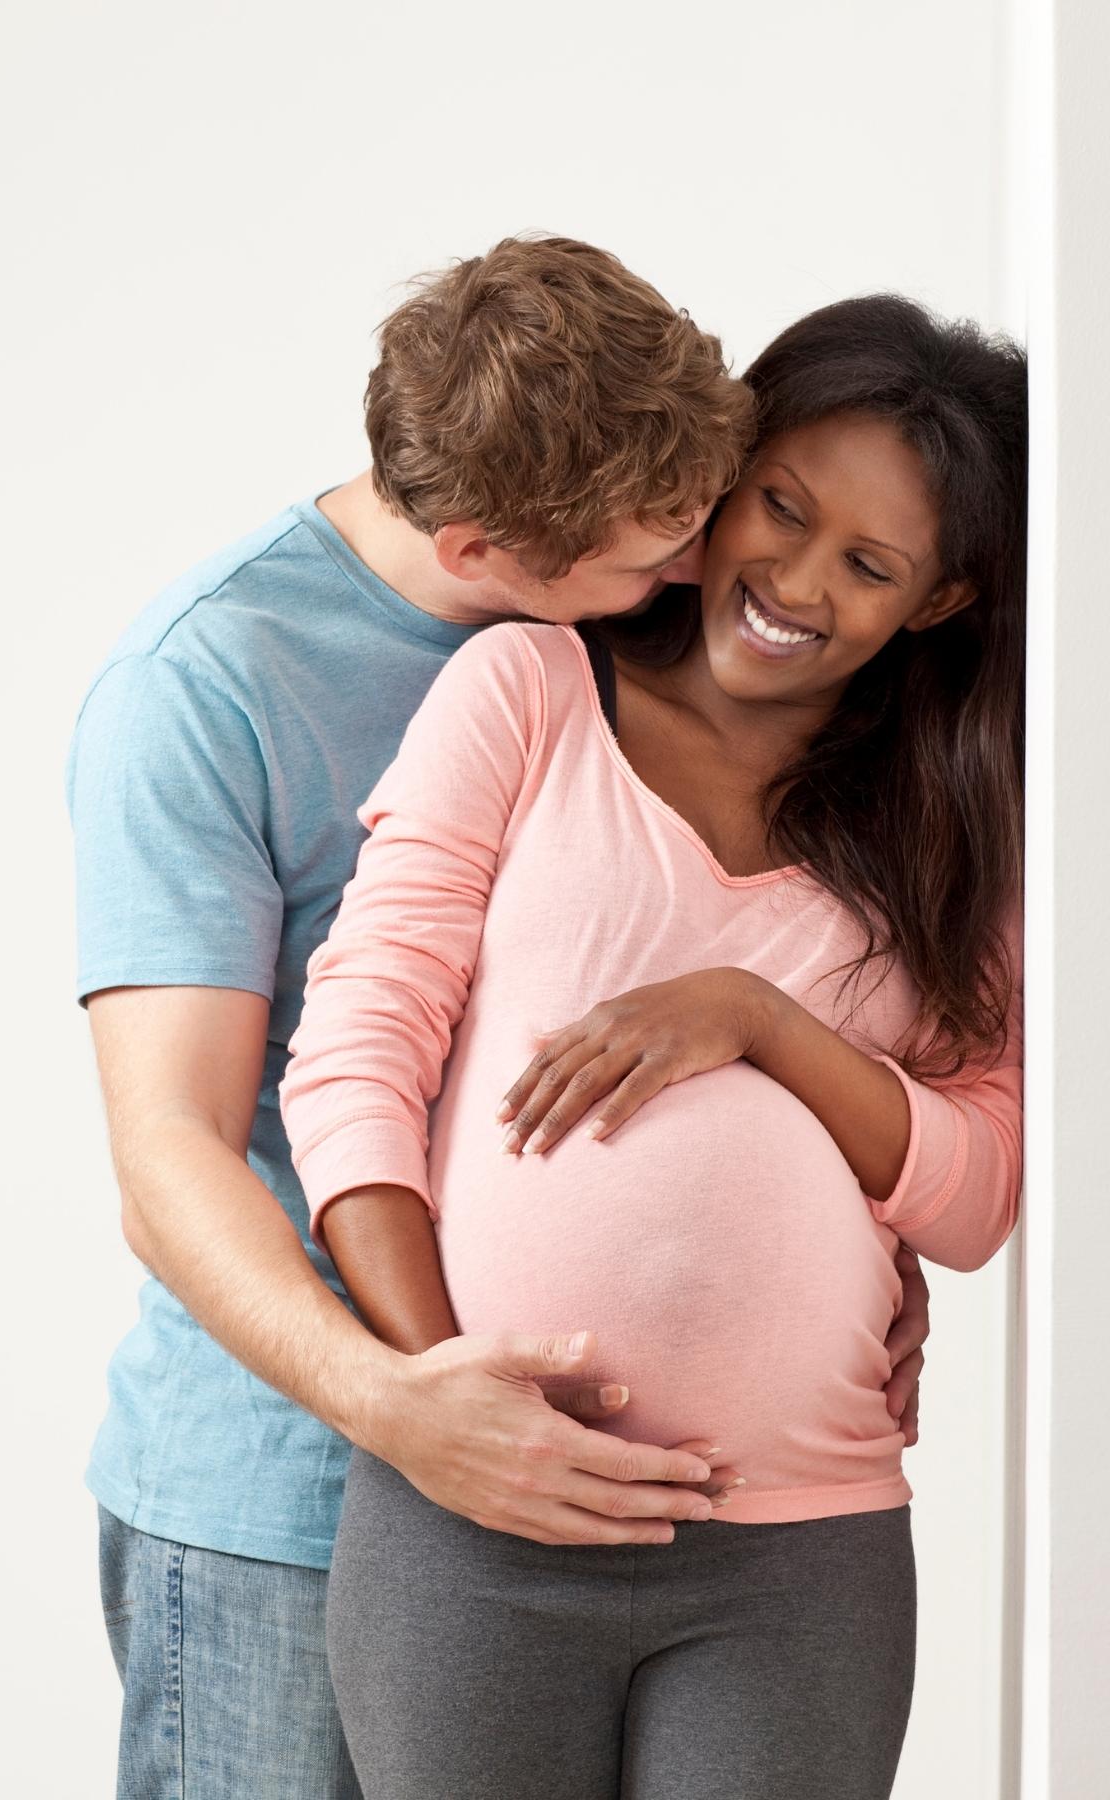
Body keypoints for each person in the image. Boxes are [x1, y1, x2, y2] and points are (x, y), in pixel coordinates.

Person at [68, 237, 929, 1799]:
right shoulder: (204, 691)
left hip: (625, 1506)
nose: (698, 578)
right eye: (649, 555)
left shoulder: (603, 611)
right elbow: (169, 1152)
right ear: (486, 546)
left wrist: (832, 1253)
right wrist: (400, 1401)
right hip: (279, 1489)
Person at [280, 293, 1025, 1800]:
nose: (794, 581)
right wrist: (447, 1399)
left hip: (795, 1555)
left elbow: (978, 1192)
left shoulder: (954, 827)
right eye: (782, 508)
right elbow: (358, 1048)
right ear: (727, 472)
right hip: (475, 1525)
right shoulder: (529, 692)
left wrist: (756, 1023)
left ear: (934, 606)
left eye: (868, 565)